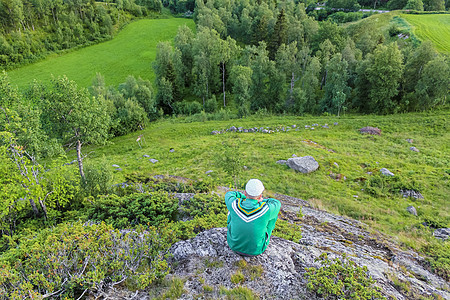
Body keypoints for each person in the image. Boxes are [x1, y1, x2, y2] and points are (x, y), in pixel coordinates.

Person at [225, 179, 281, 256]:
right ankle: (264, 237)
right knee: (273, 215)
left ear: (245, 192)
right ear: (260, 195)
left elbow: (229, 194)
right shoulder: (267, 209)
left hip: (234, 246)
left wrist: (244, 197)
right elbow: (276, 203)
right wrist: (262, 200)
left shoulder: (234, 204)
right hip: (256, 250)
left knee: (231, 212)